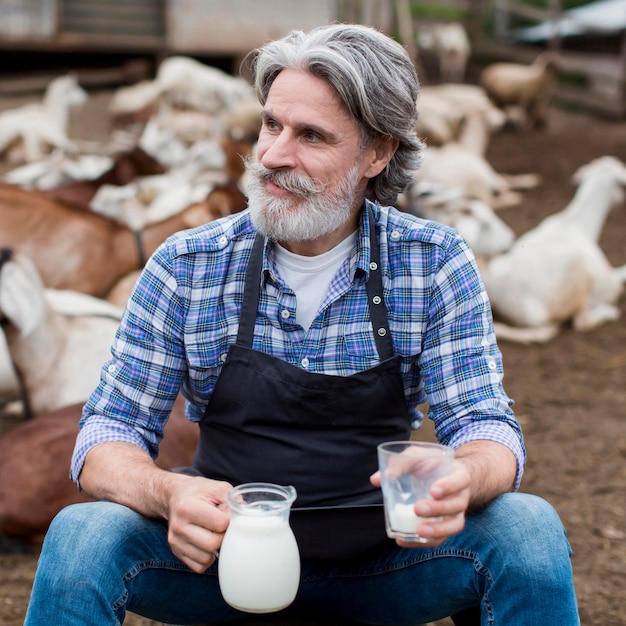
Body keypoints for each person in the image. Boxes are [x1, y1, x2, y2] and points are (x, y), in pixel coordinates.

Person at [25, 23, 579, 625]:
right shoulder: (189, 264)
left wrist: (463, 479)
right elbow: (108, 430)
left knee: (527, 529)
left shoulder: (433, 262)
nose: (272, 154)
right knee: (83, 534)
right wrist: (167, 492)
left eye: (311, 135)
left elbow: (486, 424)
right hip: (222, 568)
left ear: (379, 151)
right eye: (271, 124)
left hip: (388, 566)